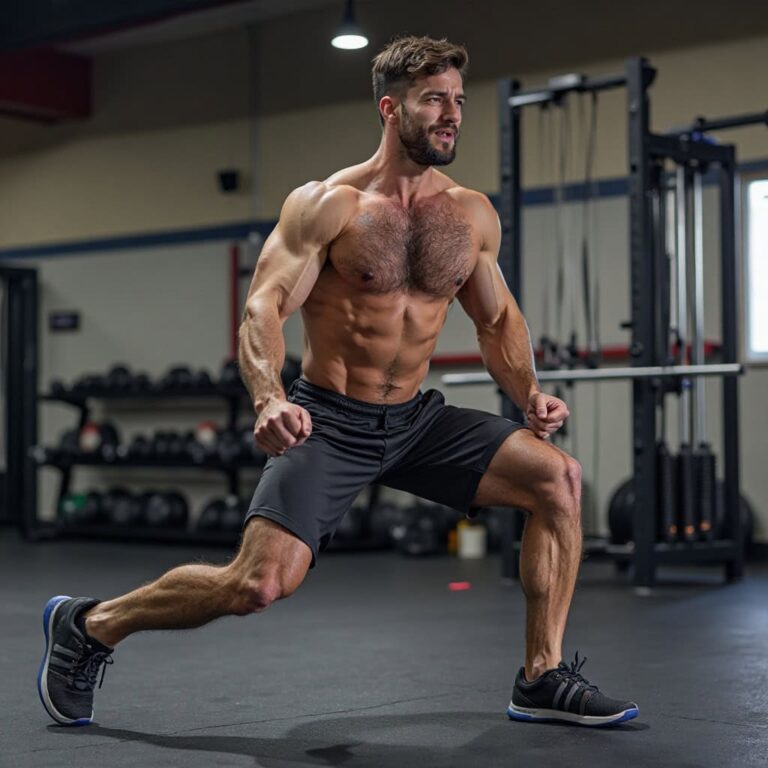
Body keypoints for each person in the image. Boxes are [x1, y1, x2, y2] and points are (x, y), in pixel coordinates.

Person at [38, 35, 638, 728]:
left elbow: (497, 319)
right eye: (434, 101)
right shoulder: (330, 206)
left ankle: (541, 676)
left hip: (416, 420)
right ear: (391, 109)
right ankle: (92, 625)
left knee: (557, 479)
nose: (452, 115)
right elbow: (264, 307)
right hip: (331, 419)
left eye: (459, 102)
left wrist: (527, 392)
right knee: (258, 584)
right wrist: (268, 397)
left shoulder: (470, 215)